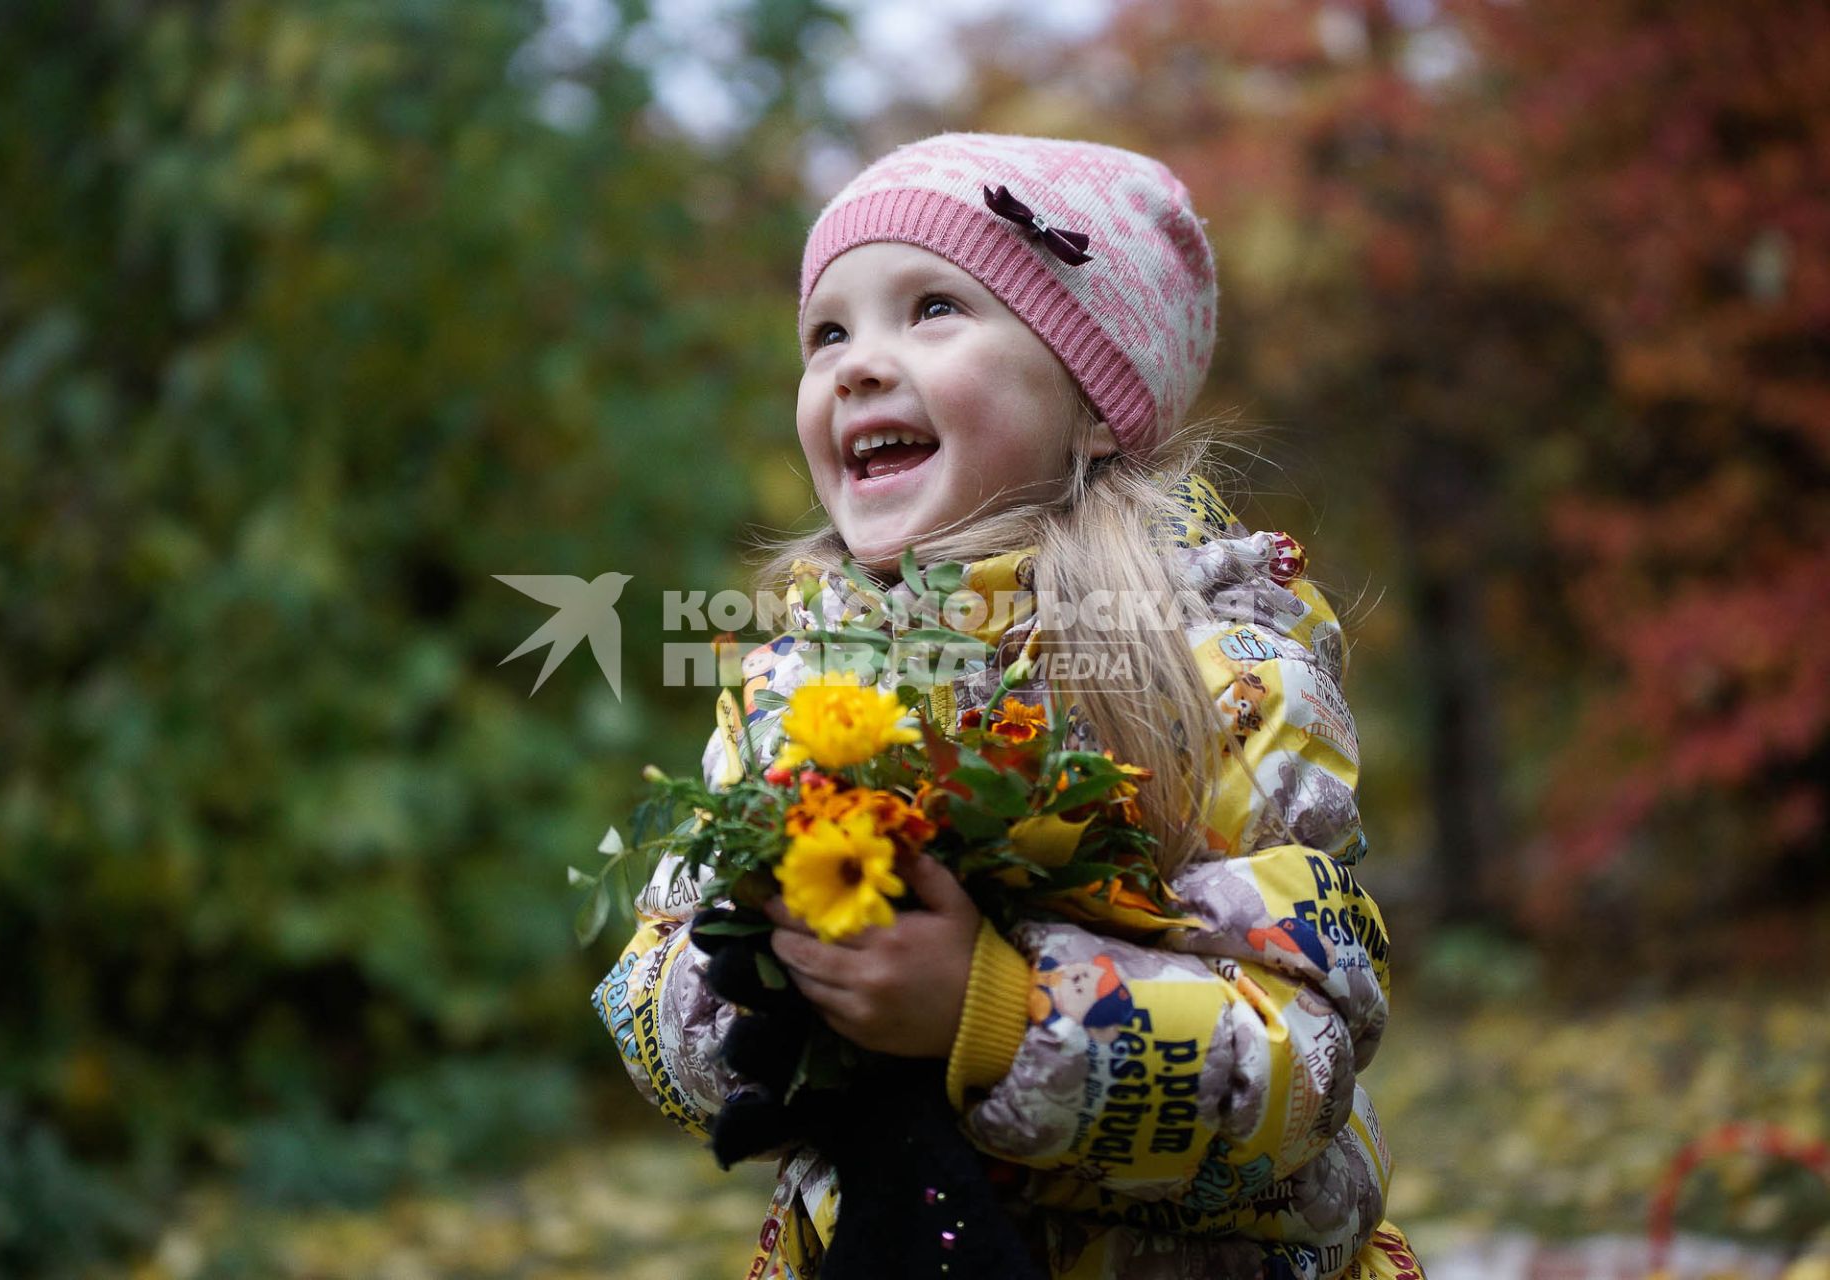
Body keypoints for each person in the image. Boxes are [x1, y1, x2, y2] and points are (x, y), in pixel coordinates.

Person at [591, 132, 1422, 1280]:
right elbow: (648, 977)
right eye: (827, 331)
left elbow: (1307, 1047)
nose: (857, 363)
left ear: (1090, 405)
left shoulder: (1216, 673)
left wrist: (993, 1009)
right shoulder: (791, 686)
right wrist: (767, 996)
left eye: (933, 308)